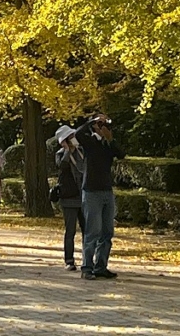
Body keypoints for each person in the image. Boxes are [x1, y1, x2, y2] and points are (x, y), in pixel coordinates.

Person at [75, 113, 124, 280]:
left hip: (106, 190)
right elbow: (78, 134)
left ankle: (101, 266)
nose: (104, 128)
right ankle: (87, 267)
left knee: (107, 232)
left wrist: (110, 139)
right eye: (101, 125)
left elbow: (121, 153)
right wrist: (92, 121)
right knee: (93, 231)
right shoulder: (90, 142)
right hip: (91, 191)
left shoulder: (107, 145)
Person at [55, 125, 86, 271]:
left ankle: (87, 259)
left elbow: (85, 167)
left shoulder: (82, 152)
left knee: (87, 230)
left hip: (83, 196)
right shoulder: (61, 154)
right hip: (68, 198)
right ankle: (69, 260)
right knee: (70, 231)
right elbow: (61, 166)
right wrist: (67, 150)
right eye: (70, 138)